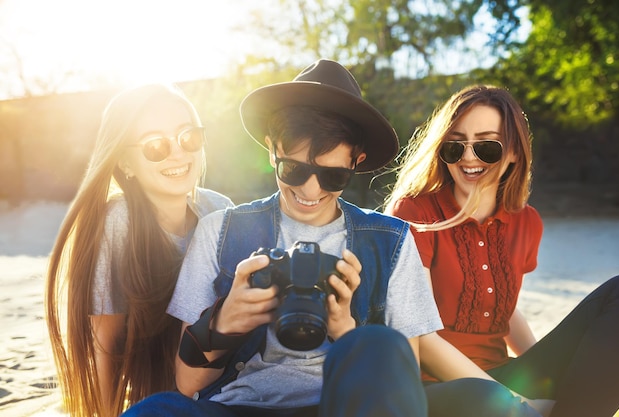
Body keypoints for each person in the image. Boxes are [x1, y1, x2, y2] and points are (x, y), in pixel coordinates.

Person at [121, 61, 548, 417]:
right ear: (271, 150)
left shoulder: (393, 239)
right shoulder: (221, 231)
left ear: (356, 162)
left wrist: (348, 331)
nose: (310, 190)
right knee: (154, 410)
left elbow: (406, 375)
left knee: (404, 356)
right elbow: (188, 382)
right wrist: (224, 321)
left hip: (345, 406)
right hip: (242, 405)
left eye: (333, 175)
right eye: (293, 170)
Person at [385, 84, 619, 417]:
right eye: (455, 146)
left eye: (486, 145)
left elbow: (505, 311)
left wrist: (548, 376)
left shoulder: (526, 222)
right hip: (438, 387)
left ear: (514, 151)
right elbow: (421, 337)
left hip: (501, 376)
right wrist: (517, 402)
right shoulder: (415, 213)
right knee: (483, 401)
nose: (469, 156)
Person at [45, 83, 234, 417]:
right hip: (156, 397)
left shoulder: (219, 210)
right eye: (155, 146)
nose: (178, 153)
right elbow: (104, 344)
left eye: (188, 137)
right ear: (126, 163)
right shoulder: (117, 223)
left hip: (222, 389)